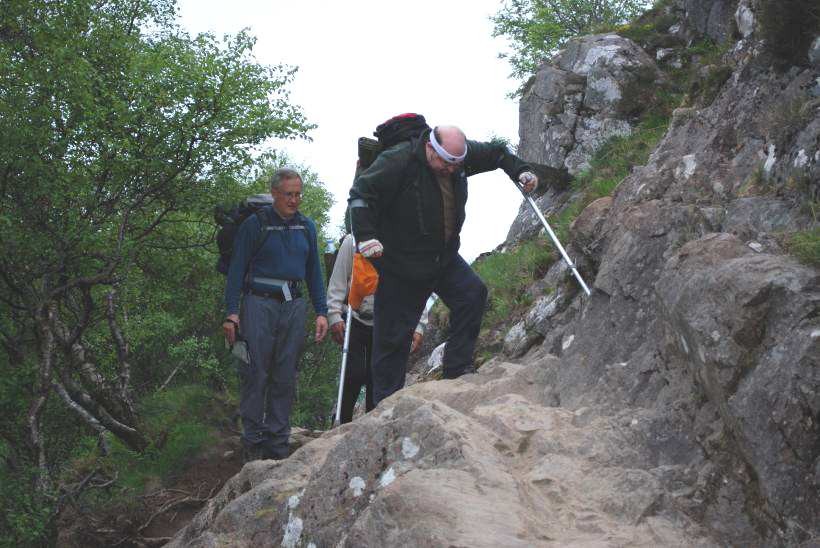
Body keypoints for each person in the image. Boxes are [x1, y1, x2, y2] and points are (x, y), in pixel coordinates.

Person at [348, 125, 537, 404]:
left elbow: (497, 154)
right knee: (392, 341)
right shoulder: (399, 160)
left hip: (442, 257)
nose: (451, 169)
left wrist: (520, 170)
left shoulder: (458, 158)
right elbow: (361, 195)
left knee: (472, 295)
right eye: (446, 163)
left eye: (457, 164)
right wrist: (366, 237)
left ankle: (456, 372)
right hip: (402, 265)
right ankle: (383, 408)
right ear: (430, 148)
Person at [223, 167, 328, 461]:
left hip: (294, 305)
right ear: (274, 194)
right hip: (258, 304)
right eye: (288, 195)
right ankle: (253, 441)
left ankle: (278, 443)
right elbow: (236, 272)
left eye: (298, 195)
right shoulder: (255, 226)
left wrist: (322, 312)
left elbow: (314, 274)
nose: (294, 201)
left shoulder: (306, 227)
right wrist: (232, 313)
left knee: (285, 375)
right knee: (255, 372)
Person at [327, 233, 429, 423]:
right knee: (353, 373)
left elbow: (415, 286)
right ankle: (342, 424)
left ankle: (372, 426)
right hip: (354, 317)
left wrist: (418, 325)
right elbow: (338, 280)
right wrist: (334, 314)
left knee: (378, 378)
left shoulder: (404, 242)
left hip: (387, 321)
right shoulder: (353, 241)